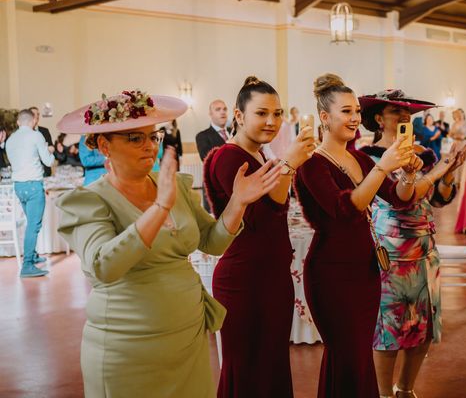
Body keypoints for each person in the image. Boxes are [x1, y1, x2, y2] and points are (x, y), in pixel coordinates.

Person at [55, 89, 281, 397]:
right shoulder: (91, 200)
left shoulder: (175, 186)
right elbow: (102, 266)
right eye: (136, 138)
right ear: (105, 146)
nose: (150, 146)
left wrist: (238, 202)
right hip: (129, 347)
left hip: (187, 338)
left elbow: (212, 243)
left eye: (154, 136)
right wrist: (159, 208)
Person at [294, 74, 417, 397]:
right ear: (325, 117)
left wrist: (407, 174)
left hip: (364, 270)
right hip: (331, 273)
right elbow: (346, 208)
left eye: (356, 112)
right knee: (346, 355)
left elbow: (399, 198)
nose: (355, 118)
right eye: (346, 111)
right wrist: (382, 168)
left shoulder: (359, 157)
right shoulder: (312, 165)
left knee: (359, 356)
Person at [204, 77, 315, 397]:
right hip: (244, 279)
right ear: (239, 116)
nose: (272, 121)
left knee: (272, 365)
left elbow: (275, 206)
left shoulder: (261, 157)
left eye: (278, 113)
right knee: (248, 370)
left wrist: (287, 164)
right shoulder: (228, 158)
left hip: (271, 276)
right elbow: (259, 214)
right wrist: (290, 162)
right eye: (262, 113)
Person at [358, 89, 464, 398]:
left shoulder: (424, 154)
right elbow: (402, 199)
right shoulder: (367, 158)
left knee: (424, 329)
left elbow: (439, 198)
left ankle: (406, 389)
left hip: (424, 250)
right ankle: (383, 394)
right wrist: (438, 171)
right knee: (389, 330)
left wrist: (448, 174)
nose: (406, 117)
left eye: (409, 114)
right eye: (396, 113)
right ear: (378, 118)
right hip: (389, 253)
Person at [5, 109, 55, 277]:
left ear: (18, 122)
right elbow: (48, 161)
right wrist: (51, 152)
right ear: (33, 121)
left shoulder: (10, 140)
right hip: (33, 185)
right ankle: (27, 265)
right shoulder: (36, 136)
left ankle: (32, 256)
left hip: (18, 186)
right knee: (34, 225)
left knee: (30, 222)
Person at [30, 106, 54, 177]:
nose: (36, 116)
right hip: (31, 171)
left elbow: (51, 147)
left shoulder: (45, 131)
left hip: (45, 169)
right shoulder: (26, 133)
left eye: (38, 114)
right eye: (34, 114)